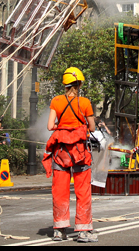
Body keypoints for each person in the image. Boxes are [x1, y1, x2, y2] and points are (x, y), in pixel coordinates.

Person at [44, 67, 98, 243]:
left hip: (61, 152)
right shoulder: (85, 103)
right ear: (80, 84)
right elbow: (91, 128)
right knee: (82, 191)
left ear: (65, 84)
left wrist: (63, 124)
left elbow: (50, 126)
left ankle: (59, 230)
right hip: (80, 152)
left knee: (60, 191)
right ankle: (83, 231)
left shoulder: (56, 101)